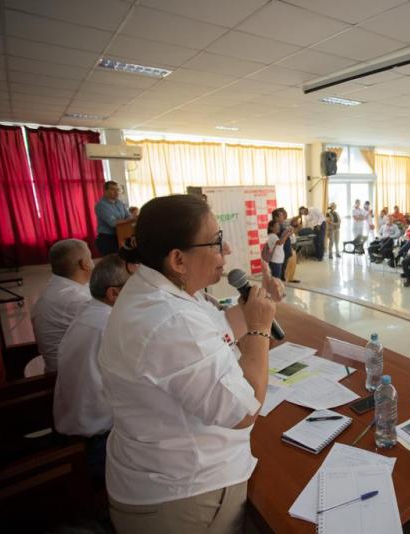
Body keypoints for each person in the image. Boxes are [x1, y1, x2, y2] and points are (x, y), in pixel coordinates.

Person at [100, 194, 280, 532]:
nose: (226, 251)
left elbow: (216, 331)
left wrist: (255, 307)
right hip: (184, 495)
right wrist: (259, 329)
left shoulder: (162, 289)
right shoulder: (169, 318)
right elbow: (243, 411)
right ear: (178, 259)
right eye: (217, 242)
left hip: (161, 474)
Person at [53, 254, 131, 481]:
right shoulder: (111, 326)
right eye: (135, 287)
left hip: (74, 427)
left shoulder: (90, 313)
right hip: (98, 441)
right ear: (113, 293)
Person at [31, 239, 94, 373]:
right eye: (90, 256)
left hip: (63, 366)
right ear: (84, 264)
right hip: (67, 376)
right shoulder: (75, 299)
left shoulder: (60, 286)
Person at [94, 181, 133, 256]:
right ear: (105, 191)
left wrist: (130, 219)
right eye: (113, 189)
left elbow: (128, 215)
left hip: (122, 236)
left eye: (117, 190)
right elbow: (113, 223)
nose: (116, 192)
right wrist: (129, 219)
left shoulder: (119, 203)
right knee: (112, 264)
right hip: (108, 239)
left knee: (123, 261)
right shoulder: (101, 205)